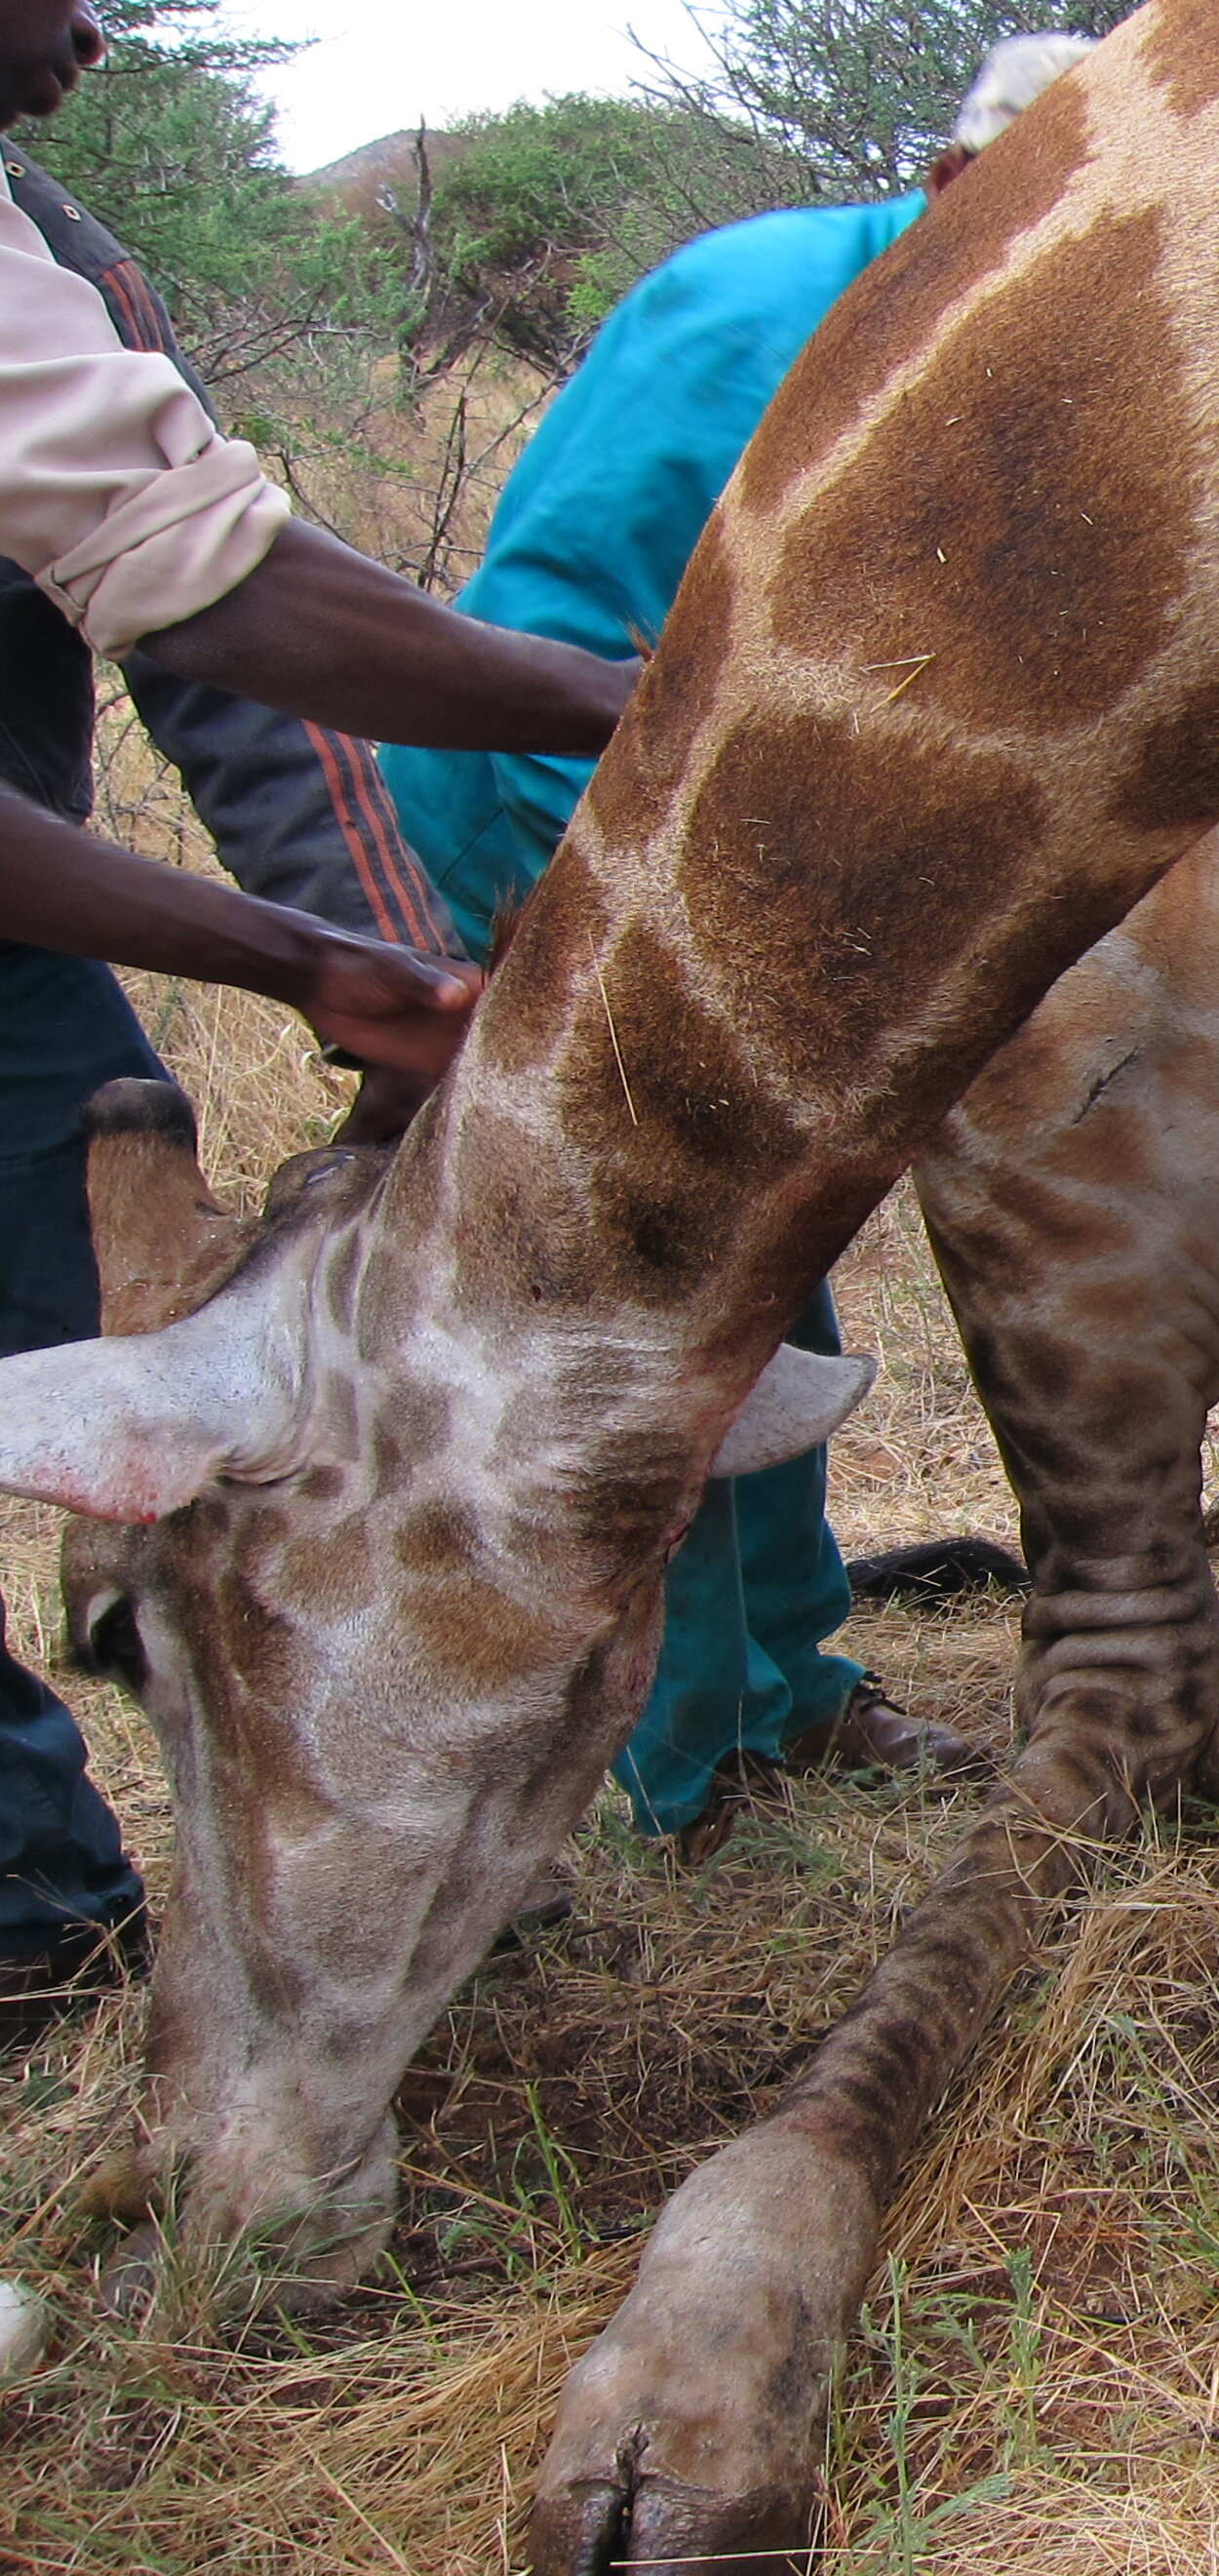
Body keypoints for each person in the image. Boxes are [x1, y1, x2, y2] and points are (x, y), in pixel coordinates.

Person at [379, 37, 1098, 1858]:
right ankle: (693, 1760)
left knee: (771, 1273)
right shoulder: (757, 303)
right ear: (955, 185)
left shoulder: (950, 333)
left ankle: (799, 1676)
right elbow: (559, 628)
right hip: (557, 827)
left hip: (742, 869)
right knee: (666, 1294)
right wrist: (614, 922)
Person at [0, 0, 638, 2034]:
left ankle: (76, 1897)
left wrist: (389, 1002)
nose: (90, 26)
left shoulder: (48, 245)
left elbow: (221, 682)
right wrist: (607, 704)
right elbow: (234, 607)